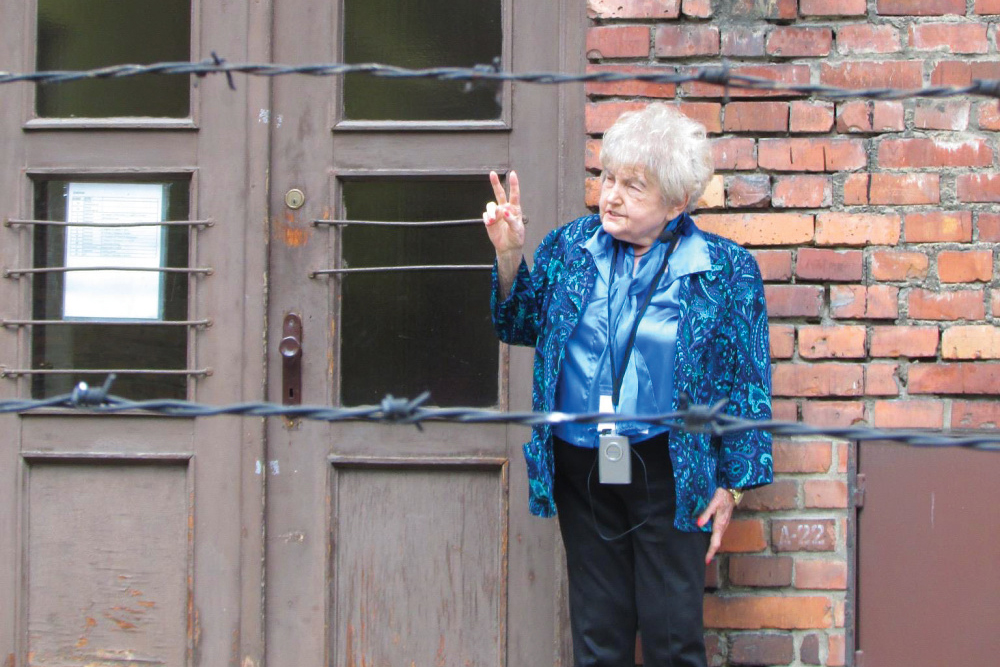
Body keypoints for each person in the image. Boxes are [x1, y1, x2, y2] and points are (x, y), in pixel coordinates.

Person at [483, 103, 773, 667]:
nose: (610, 196)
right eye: (608, 178)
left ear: (677, 202)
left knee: (672, 639)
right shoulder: (569, 247)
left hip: (671, 468)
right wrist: (510, 255)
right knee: (598, 638)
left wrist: (732, 485)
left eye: (633, 186)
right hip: (581, 463)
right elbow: (518, 324)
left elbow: (748, 382)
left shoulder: (726, 269)